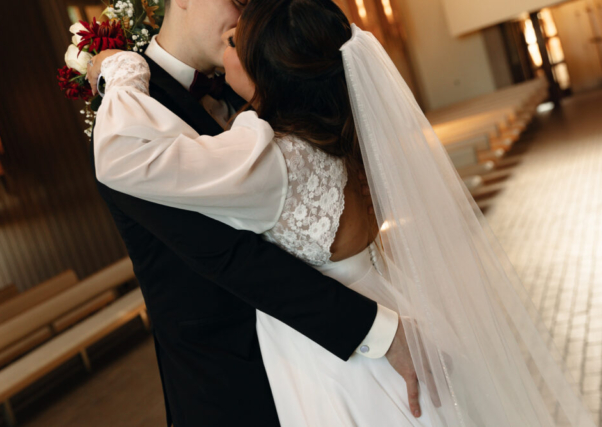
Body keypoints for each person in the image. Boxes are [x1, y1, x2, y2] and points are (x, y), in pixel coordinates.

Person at [89, 0, 597, 426]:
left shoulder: (267, 150)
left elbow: (128, 159)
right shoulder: (327, 131)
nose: (237, 30)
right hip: (258, 362)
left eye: (242, 41)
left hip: (333, 353)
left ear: (271, 70)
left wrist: (116, 67)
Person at [85, 1, 419, 426]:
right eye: (237, 1)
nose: (245, 17)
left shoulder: (254, 80)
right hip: (226, 387)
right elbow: (227, 257)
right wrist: (379, 332)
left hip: (325, 358)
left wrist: (118, 67)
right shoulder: (131, 116)